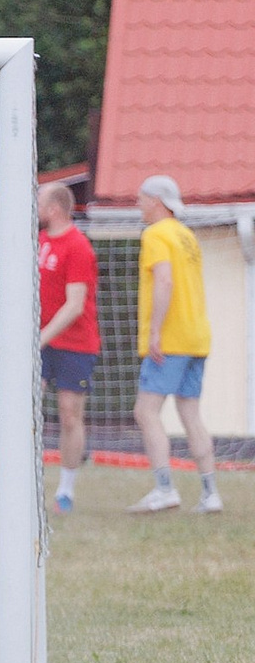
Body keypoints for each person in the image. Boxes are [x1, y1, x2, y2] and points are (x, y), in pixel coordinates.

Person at [129, 173, 220, 515]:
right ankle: (210, 493)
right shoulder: (187, 236)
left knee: (145, 411)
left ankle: (164, 488)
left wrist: (155, 332)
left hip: (171, 339)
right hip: (197, 336)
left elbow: (164, 280)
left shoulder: (156, 234)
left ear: (156, 201)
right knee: (190, 413)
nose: (137, 203)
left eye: (140, 197)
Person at [35, 182, 98, 513]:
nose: (36, 206)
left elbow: (75, 305)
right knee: (25, 407)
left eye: (40, 200)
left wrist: (40, 338)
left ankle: (66, 491)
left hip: (75, 345)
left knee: (70, 416)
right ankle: (17, 482)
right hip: (43, 343)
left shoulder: (78, 246)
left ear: (55, 208)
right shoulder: (41, 242)